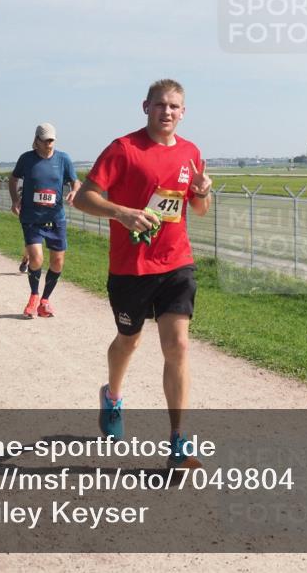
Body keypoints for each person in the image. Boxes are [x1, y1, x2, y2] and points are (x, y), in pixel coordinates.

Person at [73, 79, 212, 470]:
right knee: (128, 342)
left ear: (183, 112)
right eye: (160, 105)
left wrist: (202, 191)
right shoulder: (124, 149)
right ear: (145, 107)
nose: (166, 112)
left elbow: (198, 210)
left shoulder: (191, 153)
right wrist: (121, 212)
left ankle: (179, 441)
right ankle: (113, 396)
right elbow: (84, 197)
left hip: (176, 263)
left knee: (178, 345)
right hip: (130, 268)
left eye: (174, 107)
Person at [10, 124, 78, 318]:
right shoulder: (26, 159)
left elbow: (75, 181)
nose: (49, 144)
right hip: (32, 218)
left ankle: (45, 301)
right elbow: (14, 179)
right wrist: (15, 200)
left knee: (57, 261)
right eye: (46, 140)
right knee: (37, 258)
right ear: (37, 141)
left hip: (56, 218)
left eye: (52, 140)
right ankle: (33, 296)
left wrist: (74, 190)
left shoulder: (63, 158)